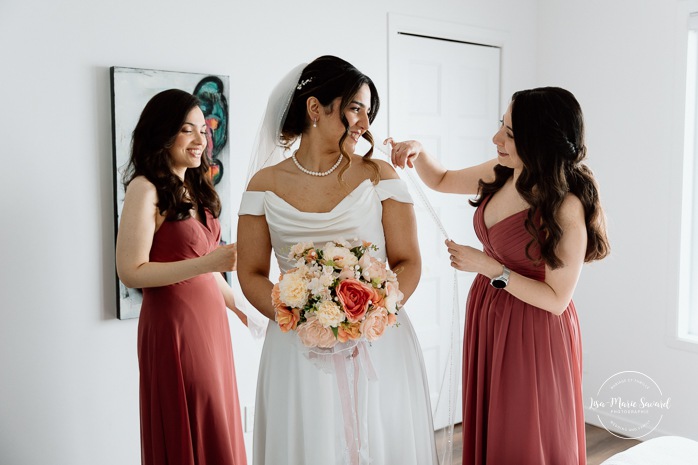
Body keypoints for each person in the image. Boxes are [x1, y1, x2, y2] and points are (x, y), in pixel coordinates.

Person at [388, 87, 610, 465]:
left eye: (509, 133)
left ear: (540, 139)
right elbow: (441, 179)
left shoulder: (566, 206)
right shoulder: (502, 171)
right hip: (490, 312)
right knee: (496, 423)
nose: (496, 139)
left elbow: (557, 300)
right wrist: (419, 152)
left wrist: (490, 267)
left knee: (525, 432)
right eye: (501, 126)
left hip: (534, 329)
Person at [237, 56, 438, 465]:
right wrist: (300, 316)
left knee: (377, 439)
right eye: (354, 108)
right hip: (296, 347)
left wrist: (369, 314)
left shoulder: (379, 175)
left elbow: (409, 261)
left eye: (368, 111)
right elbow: (250, 272)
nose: (365, 122)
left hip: (377, 343)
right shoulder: (264, 185)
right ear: (315, 108)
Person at [115, 89, 247, 465]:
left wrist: (244, 309)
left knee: (218, 418)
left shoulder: (194, 188)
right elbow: (130, 270)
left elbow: (205, 269)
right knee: (192, 418)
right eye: (187, 130)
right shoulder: (145, 188)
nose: (199, 140)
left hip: (210, 325)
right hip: (174, 329)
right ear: (163, 133)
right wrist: (209, 263)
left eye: (202, 131)